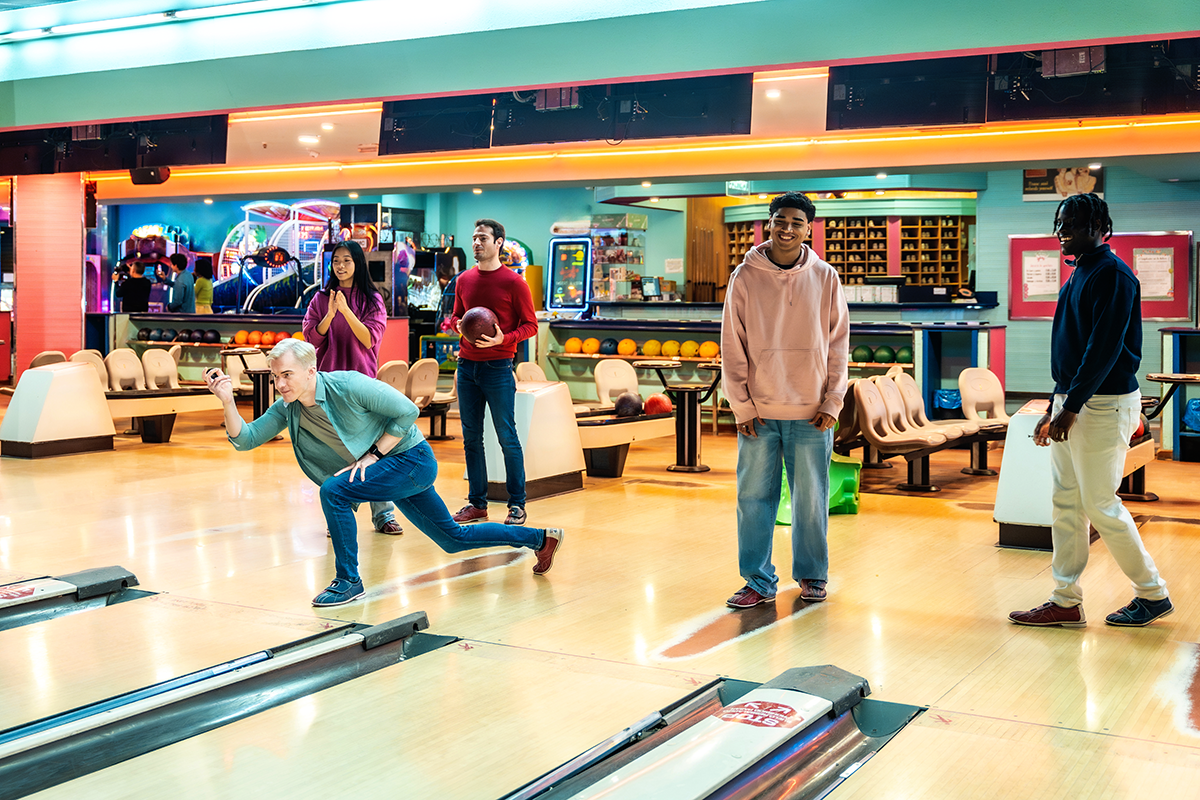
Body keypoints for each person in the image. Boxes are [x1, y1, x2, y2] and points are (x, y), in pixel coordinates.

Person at [204, 338, 563, 607]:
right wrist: (228, 401)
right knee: (452, 539)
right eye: (275, 376)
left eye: (287, 375)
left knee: (334, 491)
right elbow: (246, 439)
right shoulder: (289, 407)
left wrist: (375, 454)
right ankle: (541, 538)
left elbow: (407, 410)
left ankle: (347, 580)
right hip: (397, 470)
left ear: (311, 371)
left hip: (412, 459)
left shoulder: (347, 385)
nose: (281, 384)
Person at [1010, 193, 1171, 628]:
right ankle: (1065, 600)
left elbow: (1104, 349)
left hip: (1101, 405)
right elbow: (1073, 350)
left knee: (1100, 503)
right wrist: (1055, 403)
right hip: (1074, 400)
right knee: (1066, 502)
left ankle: (1153, 594)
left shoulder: (1113, 276)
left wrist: (1072, 405)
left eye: (1074, 224)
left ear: (1101, 228)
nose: (1063, 231)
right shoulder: (1080, 272)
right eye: (1060, 222)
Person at [720, 191, 850, 609]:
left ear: (808, 227)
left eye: (796, 221)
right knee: (753, 499)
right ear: (769, 223)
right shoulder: (744, 277)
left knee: (811, 499)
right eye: (780, 219)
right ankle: (758, 580)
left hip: (812, 413)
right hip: (758, 412)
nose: (787, 228)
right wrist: (741, 405)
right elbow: (732, 344)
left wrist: (833, 400)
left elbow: (838, 344)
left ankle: (812, 575)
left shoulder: (826, 277)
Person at [302, 240, 402, 536]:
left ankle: (383, 515)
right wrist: (331, 314)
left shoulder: (372, 300)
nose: (341, 266)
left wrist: (346, 311)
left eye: (347, 260)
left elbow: (370, 339)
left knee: (372, 450)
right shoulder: (320, 299)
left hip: (362, 384)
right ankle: (338, 514)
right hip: (329, 385)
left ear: (358, 263)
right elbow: (311, 339)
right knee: (335, 452)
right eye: (336, 261)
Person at [448, 219, 538, 526]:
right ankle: (477, 504)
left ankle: (517, 504)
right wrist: (456, 325)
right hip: (466, 366)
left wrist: (504, 339)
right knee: (471, 439)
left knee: (506, 436)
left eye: (483, 238)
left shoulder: (515, 283)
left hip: (498, 368)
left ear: (499, 242)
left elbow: (531, 326)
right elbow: (457, 317)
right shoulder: (463, 280)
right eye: (474, 238)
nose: (477, 243)